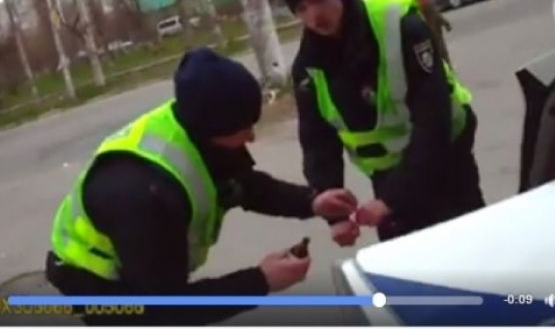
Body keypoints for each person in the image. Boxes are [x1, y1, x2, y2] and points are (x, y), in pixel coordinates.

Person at [45, 48, 358, 326]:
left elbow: (242, 185)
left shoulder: (195, 123)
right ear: (213, 129)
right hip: (96, 288)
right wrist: (261, 281)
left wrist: (312, 202)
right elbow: (167, 309)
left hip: (144, 267)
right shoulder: (143, 195)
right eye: (244, 127)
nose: (251, 136)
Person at [276, 0, 485, 244]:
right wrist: (335, 215)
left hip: (447, 159)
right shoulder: (307, 67)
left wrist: (391, 199)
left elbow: (433, 120)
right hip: (387, 174)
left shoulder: (400, 26)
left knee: (469, 249)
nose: (314, 15)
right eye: (302, 8)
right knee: (405, 264)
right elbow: (317, 143)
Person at [412, 0, 453, 67]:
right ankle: (448, 69)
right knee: (442, 53)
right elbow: (437, 15)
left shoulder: (416, 3)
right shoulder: (428, 1)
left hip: (425, 32)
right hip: (435, 31)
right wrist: (446, 24)